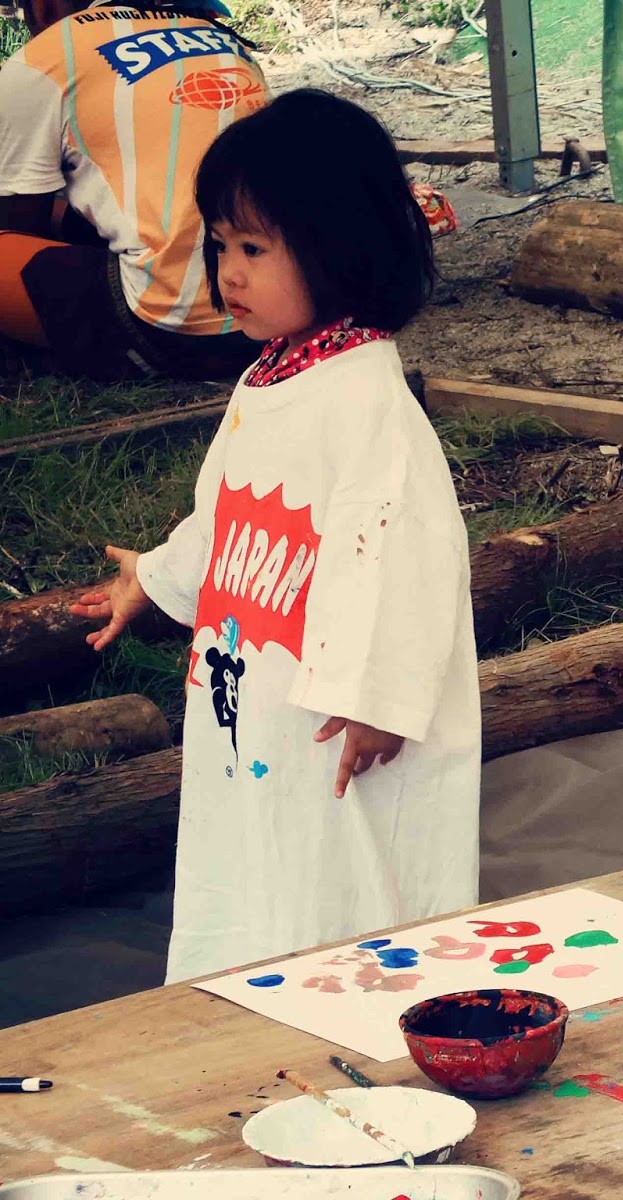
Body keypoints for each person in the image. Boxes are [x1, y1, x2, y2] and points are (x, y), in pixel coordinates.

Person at [70, 88, 480, 983]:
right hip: (253, 695)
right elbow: (229, 511)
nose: (230, 272)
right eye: (221, 245)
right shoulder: (270, 376)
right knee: (256, 855)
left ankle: (358, 1007)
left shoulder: (366, 397)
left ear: (339, 247)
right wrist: (157, 578)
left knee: (341, 877)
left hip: (342, 719)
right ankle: (245, 992)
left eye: (254, 249)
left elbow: (401, 556)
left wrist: (377, 698)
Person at [0, 0, 265, 379]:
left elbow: (22, 228)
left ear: (44, 6)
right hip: (275, 312)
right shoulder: (221, 38)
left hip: (179, 332)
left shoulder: (44, 57)